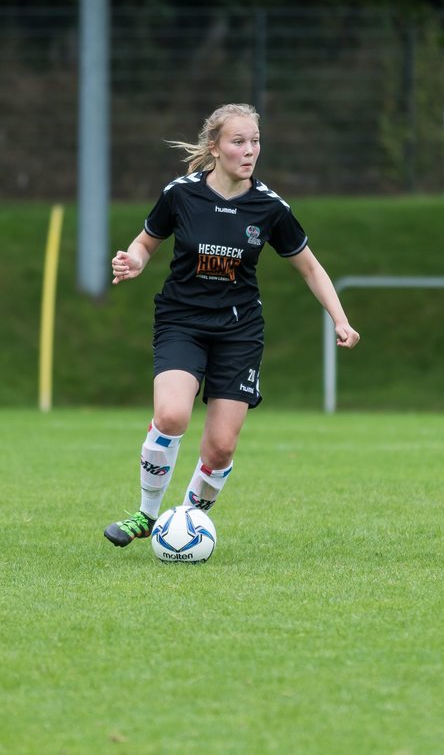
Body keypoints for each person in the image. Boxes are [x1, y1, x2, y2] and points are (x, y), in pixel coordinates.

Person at [103, 103, 360, 546]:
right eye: (238, 141)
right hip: (181, 319)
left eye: (255, 141)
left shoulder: (270, 208)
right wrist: (134, 261)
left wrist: (340, 319)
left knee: (220, 447)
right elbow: (146, 242)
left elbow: (311, 269)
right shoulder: (180, 194)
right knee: (171, 415)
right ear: (214, 147)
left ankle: (184, 522)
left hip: (239, 332)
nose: (249, 150)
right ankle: (146, 516)